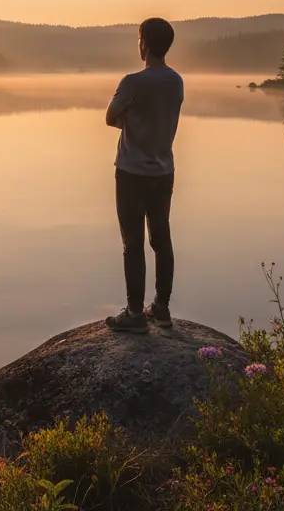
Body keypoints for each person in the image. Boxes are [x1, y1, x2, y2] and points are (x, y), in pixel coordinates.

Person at [104, 17, 184, 334]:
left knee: (133, 243)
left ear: (145, 44)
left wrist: (132, 121)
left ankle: (135, 314)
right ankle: (161, 308)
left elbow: (110, 118)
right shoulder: (176, 81)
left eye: (139, 39)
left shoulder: (133, 82)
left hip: (131, 173)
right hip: (164, 172)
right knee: (161, 239)